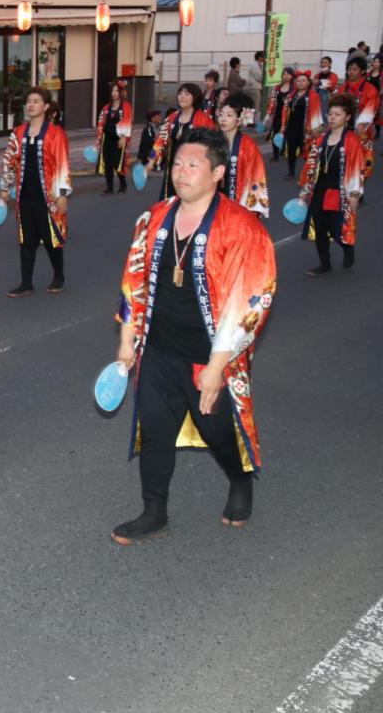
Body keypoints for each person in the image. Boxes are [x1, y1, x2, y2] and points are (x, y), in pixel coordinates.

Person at [110, 128, 276, 545]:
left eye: (193, 164)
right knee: (155, 432)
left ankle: (240, 480)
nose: (181, 172)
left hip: (209, 356)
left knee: (217, 430)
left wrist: (217, 368)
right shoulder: (154, 217)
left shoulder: (241, 227)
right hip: (159, 350)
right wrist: (128, 343)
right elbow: (133, 282)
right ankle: (154, 512)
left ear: (218, 172)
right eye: (178, 163)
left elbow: (249, 302)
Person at [0, 87, 71, 297]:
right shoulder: (18, 132)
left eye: (36, 101)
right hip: (24, 196)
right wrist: (5, 186)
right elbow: (10, 160)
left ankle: (59, 276)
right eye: (28, 101)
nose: (30, 105)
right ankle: (26, 283)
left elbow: (62, 164)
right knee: (26, 240)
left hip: (48, 197)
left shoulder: (56, 134)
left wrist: (61, 194)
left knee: (52, 239)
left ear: (46, 106)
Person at [299, 93, 365, 276]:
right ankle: (324, 264)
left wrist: (354, 195)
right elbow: (311, 165)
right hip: (320, 188)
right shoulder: (321, 139)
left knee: (336, 227)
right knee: (319, 226)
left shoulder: (351, 140)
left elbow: (356, 169)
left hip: (339, 190)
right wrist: (305, 189)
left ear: (348, 117)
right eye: (331, 114)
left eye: (338, 114)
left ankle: (347, 247)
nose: (333, 117)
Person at [146, 83, 217, 199]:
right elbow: (159, 142)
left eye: (186, 94)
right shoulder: (171, 118)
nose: (182, 96)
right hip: (173, 170)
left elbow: (213, 147)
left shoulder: (204, 120)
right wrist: (151, 162)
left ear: (195, 98)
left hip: (194, 172)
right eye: (180, 93)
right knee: (168, 205)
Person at [215, 93, 269, 217]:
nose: (223, 119)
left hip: (238, 202)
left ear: (239, 120)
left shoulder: (248, 146)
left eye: (229, 115)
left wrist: (252, 210)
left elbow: (255, 177)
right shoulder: (211, 140)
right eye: (221, 114)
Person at [338, 55, 379, 181]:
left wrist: (361, 125)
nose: (351, 72)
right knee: (342, 159)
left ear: (362, 71)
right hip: (342, 128)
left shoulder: (370, 89)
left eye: (355, 69)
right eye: (349, 69)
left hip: (362, 131)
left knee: (362, 161)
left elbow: (371, 109)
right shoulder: (342, 88)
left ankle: (358, 189)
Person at [280, 71, 323, 180]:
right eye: (298, 81)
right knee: (291, 151)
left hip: (306, 128)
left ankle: (309, 172)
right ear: (295, 82)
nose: (301, 83)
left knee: (307, 151)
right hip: (292, 127)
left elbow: (316, 111)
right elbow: (285, 111)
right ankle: (291, 172)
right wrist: (283, 125)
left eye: (304, 81)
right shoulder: (291, 95)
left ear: (309, 82)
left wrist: (314, 128)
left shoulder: (313, 95)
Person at [95, 80, 133, 195]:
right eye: (112, 91)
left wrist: (124, 138)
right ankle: (109, 187)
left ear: (121, 92)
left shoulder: (126, 106)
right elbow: (101, 122)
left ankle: (123, 184)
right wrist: (99, 137)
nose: (114, 93)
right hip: (107, 138)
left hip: (120, 138)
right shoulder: (106, 107)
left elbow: (128, 121)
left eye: (116, 90)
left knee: (118, 162)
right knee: (108, 162)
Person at [265, 66, 295, 161]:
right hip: (277, 114)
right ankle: (275, 155)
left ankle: (287, 152)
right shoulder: (277, 87)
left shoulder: (294, 88)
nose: (286, 76)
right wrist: (268, 114)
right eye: (284, 74)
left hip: (290, 115)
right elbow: (272, 101)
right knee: (275, 134)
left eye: (288, 74)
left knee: (288, 134)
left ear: (292, 76)